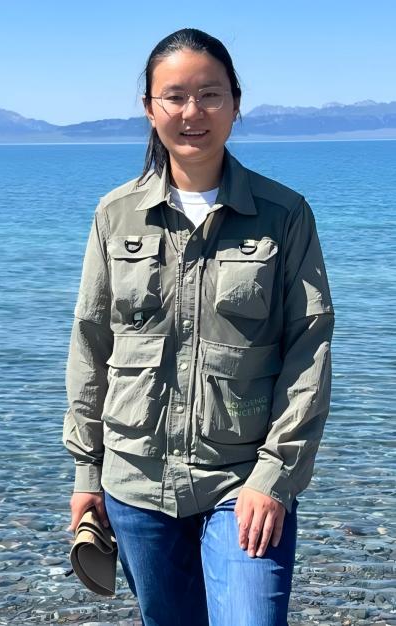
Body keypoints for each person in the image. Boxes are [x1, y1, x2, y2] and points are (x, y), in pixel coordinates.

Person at [63, 27, 335, 626]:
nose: (193, 112)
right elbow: (90, 344)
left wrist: (274, 476)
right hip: (135, 483)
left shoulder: (284, 215)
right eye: (175, 96)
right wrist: (87, 471)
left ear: (236, 104)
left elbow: (309, 350)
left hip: (244, 481)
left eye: (211, 95)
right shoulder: (115, 214)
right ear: (149, 108)